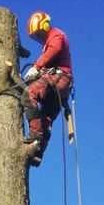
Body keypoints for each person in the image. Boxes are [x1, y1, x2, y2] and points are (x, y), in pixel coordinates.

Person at [23, 11, 73, 164]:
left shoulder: (57, 36)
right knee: (46, 118)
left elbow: (54, 50)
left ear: (45, 26)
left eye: (38, 33)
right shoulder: (48, 43)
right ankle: (37, 151)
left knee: (29, 93)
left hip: (60, 78)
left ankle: (35, 137)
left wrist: (37, 67)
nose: (38, 37)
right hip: (58, 84)